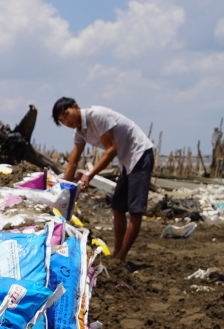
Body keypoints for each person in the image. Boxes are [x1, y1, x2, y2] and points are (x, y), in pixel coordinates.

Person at [52, 98, 155, 268]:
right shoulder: (80, 133)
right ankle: (117, 254)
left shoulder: (97, 115)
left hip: (139, 154)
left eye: (66, 115)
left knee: (136, 211)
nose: (66, 121)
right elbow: (72, 163)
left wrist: (89, 176)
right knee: (118, 207)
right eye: (61, 121)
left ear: (76, 107)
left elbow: (111, 149)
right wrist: (63, 190)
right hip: (126, 162)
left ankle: (121, 256)